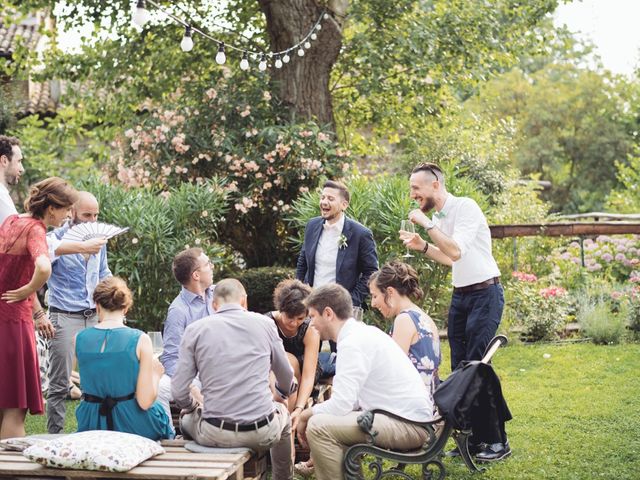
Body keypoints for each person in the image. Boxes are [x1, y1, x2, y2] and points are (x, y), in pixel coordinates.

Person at [400, 162, 508, 461]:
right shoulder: (439, 217)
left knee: (477, 365)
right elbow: (451, 260)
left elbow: (457, 249)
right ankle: (471, 442)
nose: (413, 195)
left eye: (416, 188)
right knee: (462, 368)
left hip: (486, 293)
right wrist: (423, 246)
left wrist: (426, 225)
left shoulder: (465, 207)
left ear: (435, 185)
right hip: (461, 296)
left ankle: (497, 442)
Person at [296, 284, 433, 480]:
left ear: (328, 313)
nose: (311, 324)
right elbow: (348, 403)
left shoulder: (353, 343)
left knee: (318, 426)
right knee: (325, 422)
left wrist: (304, 415)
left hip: (409, 425)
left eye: (312, 316)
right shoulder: (359, 334)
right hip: (405, 419)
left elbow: (342, 404)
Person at [172, 279, 297, 480]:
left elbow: (178, 391)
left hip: (214, 434)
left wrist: (193, 405)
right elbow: (286, 376)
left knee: (186, 419)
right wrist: (280, 393)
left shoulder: (195, 330)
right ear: (244, 301)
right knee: (283, 414)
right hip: (262, 432)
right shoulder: (265, 324)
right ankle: (282, 477)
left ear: (214, 305)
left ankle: (204, 472)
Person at [0, 177, 78, 439]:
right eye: (67, 209)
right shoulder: (35, 230)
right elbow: (44, 267)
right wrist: (28, 289)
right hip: (13, 324)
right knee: (14, 409)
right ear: (52, 208)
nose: (68, 215)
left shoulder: (13, 222)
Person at [296, 180, 379, 378]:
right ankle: (310, 396)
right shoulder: (312, 226)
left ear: (344, 204)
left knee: (344, 359)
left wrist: (350, 300)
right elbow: (302, 262)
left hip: (341, 308)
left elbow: (371, 271)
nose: (324, 202)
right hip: (311, 304)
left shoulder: (360, 234)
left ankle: (344, 398)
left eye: (330, 198)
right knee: (307, 356)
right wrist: (299, 292)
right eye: (323, 197)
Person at [46, 191, 112, 434]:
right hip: (64, 316)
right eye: (87, 215)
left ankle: (91, 433)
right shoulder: (55, 241)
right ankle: (55, 435)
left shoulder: (99, 241)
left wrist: (115, 292)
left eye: (96, 215)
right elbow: (39, 273)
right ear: (72, 212)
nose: (92, 221)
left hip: (93, 316)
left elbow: (103, 272)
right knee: (60, 383)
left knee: (96, 381)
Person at [75, 277, 173, 440]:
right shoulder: (140, 339)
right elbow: (144, 402)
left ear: (97, 306)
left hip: (91, 424)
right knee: (161, 417)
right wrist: (156, 375)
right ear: (126, 307)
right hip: (131, 425)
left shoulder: (79, 338)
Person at [157, 247, 215, 421]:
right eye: (207, 264)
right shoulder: (178, 310)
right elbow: (171, 358)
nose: (212, 266)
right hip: (196, 376)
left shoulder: (219, 293)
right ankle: (167, 435)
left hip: (224, 369)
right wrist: (190, 387)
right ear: (196, 275)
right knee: (160, 387)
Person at [369, 260, 441, 395]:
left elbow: (391, 371)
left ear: (389, 292)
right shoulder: (424, 317)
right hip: (429, 402)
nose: (373, 303)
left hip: (410, 407)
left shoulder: (404, 320)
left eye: (375, 296)